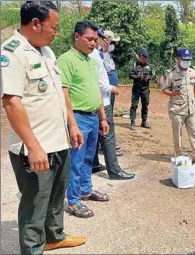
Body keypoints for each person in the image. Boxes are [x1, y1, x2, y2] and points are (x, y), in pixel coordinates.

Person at [1, 2, 85, 253]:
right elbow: (12, 104)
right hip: (35, 148)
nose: (56, 33)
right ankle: (33, 249)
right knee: (34, 207)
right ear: (36, 24)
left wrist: (72, 124)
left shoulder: (46, 52)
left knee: (56, 198)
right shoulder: (11, 53)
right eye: (54, 27)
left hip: (58, 141)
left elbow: (59, 94)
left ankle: (54, 237)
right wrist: (34, 147)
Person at [57, 20, 110, 218]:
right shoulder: (66, 60)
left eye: (95, 40)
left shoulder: (90, 61)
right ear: (77, 36)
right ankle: (73, 201)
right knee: (75, 161)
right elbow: (64, 94)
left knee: (89, 158)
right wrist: (72, 124)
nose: (93, 44)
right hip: (77, 117)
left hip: (93, 117)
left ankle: (85, 190)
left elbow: (95, 90)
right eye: (89, 39)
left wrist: (103, 118)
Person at [89, 29, 135, 180]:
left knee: (96, 132)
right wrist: (111, 88)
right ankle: (114, 171)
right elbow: (99, 82)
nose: (111, 44)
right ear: (101, 40)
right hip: (103, 100)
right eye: (110, 41)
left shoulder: (98, 55)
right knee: (107, 134)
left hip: (101, 99)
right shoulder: (95, 56)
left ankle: (94, 163)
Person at [162, 47, 195, 170]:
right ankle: (179, 156)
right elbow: (164, 89)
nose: (187, 62)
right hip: (177, 109)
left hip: (191, 108)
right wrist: (172, 94)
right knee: (178, 136)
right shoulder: (171, 74)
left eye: (189, 59)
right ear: (178, 59)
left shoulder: (192, 72)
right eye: (184, 59)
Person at [129, 49, 155, 130]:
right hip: (136, 88)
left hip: (145, 88)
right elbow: (130, 75)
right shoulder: (134, 65)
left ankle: (144, 121)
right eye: (142, 58)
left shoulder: (149, 66)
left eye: (145, 58)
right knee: (134, 105)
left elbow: (154, 76)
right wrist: (138, 76)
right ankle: (132, 122)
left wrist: (148, 77)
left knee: (145, 105)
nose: (144, 60)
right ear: (139, 57)